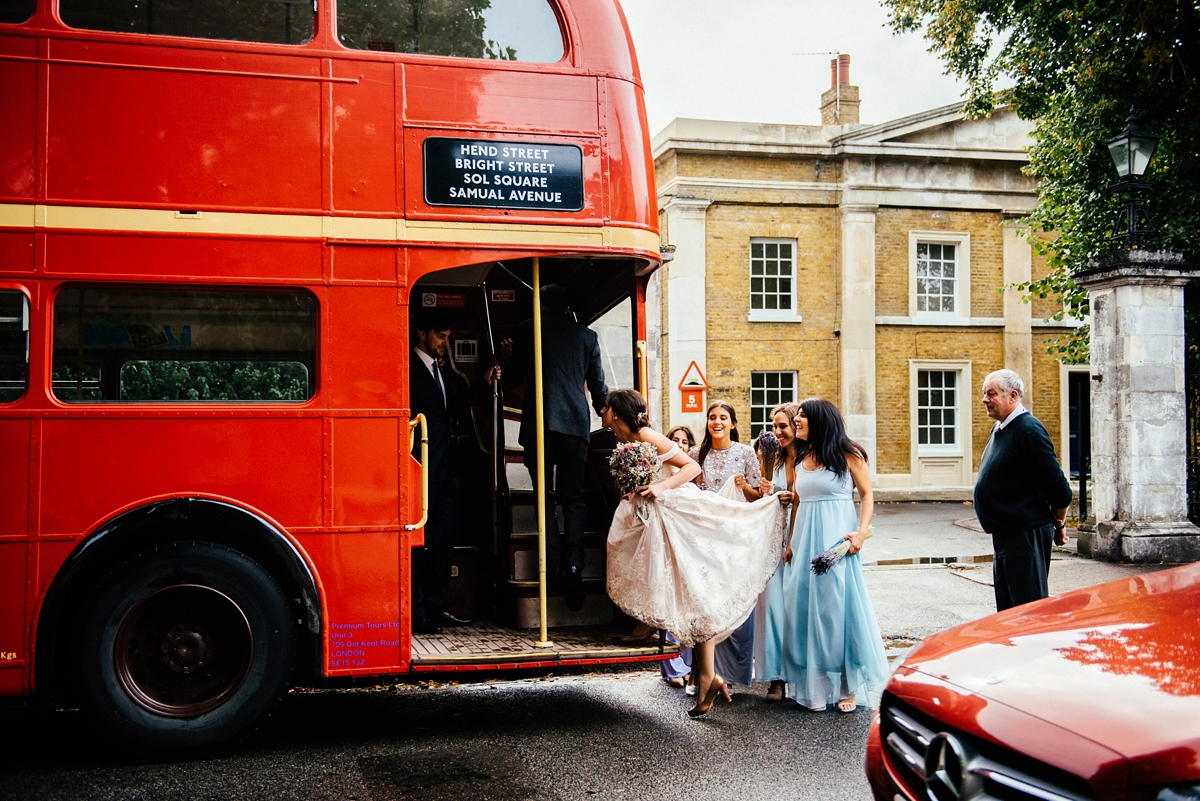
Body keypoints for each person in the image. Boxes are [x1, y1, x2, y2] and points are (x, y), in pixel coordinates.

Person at [602, 390, 786, 717]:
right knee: (691, 597)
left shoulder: (645, 434)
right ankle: (706, 679)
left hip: (678, 516)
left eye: (605, 408)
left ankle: (697, 670)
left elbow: (688, 468)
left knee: (693, 593)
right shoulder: (629, 438)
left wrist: (658, 488)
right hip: (660, 519)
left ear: (616, 413)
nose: (602, 412)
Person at [776, 398, 888, 712]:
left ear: (819, 420)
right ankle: (816, 686)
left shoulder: (848, 455)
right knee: (804, 610)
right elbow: (798, 502)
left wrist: (862, 531)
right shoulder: (799, 457)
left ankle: (848, 686)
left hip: (837, 543)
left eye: (800, 416)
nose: (796, 420)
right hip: (805, 541)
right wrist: (790, 544)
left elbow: (867, 495)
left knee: (838, 611)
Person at [503, 284, 608, 612]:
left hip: (538, 423)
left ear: (542, 305)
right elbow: (599, 387)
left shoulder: (527, 330)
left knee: (543, 498)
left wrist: (506, 357)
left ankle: (551, 565)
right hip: (575, 425)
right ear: (566, 307)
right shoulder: (587, 337)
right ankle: (574, 566)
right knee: (573, 499)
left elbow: (512, 378)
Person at [975, 369, 1073, 611]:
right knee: (1008, 612)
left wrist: (1059, 526)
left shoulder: (1027, 430)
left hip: (1025, 536)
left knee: (1029, 611)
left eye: (991, 394)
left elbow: (1059, 490)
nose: (985, 399)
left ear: (1013, 396)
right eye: (984, 393)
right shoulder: (1001, 428)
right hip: (1006, 535)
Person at [689, 402, 761, 690]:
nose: (716, 422)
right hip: (705, 536)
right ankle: (704, 672)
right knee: (706, 601)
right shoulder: (696, 454)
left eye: (723, 418)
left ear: (733, 423)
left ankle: (732, 675)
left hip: (735, 537)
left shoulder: (745, 453)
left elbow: (757, 496)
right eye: (712, 417)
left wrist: (743, 488)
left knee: (735, 600)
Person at [409, 308, 472, 635]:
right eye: (440, 336)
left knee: (444, 538)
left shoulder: (442, 372)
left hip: (445, 469)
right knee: (419, 540)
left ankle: (437, 606)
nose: (445, 343)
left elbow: (452, 412)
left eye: (448, 337)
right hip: (419, 466)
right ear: (422, 334)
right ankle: (418, 612)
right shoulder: (407, 368)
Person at [754, 403, 799, 702]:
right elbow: (761, 496)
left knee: (798, 609)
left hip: (801, 536)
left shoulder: (811, 460)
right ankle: (776, 678)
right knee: (772, 608)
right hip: (774, 540)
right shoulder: (772, 458)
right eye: (775, 426)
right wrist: (768, 492)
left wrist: (795, 498)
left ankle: (805, 675)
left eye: (783, 426)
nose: (777, 432)